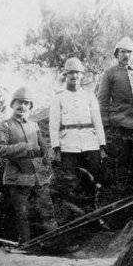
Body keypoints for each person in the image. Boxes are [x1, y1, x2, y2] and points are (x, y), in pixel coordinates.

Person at [0, 87, 59, 244]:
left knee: (47, 211)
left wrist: (47, 157)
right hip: (17, 177)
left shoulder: (34, 125)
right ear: (12, 104)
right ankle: (26, 245)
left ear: (30, 106)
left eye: (26, 103)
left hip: (37, 176)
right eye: (19, 102)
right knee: (22, 214)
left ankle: (56, 242)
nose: (22, 106)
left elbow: (43, 148)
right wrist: (24, 146)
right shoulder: (5, 126)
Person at [96, 37, 133, 188]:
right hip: (120, 122)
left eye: (129, 52)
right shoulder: (109, 74)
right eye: (122, 52)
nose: (126, 55)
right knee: (123, 158)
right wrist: (106, 124)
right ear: (117, 54)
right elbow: (102, 101)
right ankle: (123, 190)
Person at [49, 57, 106, 191]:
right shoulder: (58, 97)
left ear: (81, 75)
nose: (74, 76)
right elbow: (53, 125)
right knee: (71, 180)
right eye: (71, 73)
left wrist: (102, 144)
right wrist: (56, 147)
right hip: (68, 144)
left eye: (77, 72)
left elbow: (97, 121)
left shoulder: (90, 96)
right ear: (66, 75)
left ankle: (94, 202)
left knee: (94, 176)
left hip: (90, 142)